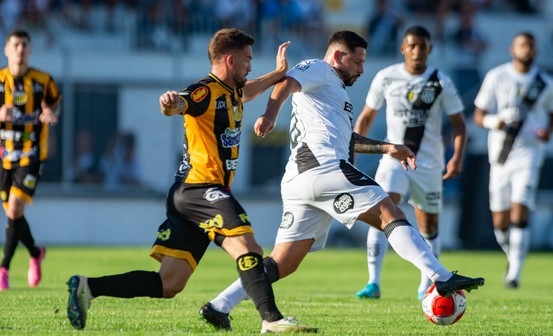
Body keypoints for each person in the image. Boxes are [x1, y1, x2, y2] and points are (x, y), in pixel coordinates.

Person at [198, 30, 484, 331]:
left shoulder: (333, 92)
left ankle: (219, 306)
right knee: (390, 213)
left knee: (283, 262)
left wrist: (388, 147)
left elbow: (347, 139)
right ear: (337, 56)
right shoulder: (319, 68)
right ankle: (441, 277)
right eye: (357, 62)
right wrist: (270, 115)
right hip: (323, 168)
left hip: (303, 179)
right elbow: (286, 84)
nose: (361, 69)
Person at [65, 28, 316, 334]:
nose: (250, 66)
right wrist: (168, 103)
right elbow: (179, 104)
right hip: (202, 189)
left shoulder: (232, 91)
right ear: (229, 59)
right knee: (248, 246)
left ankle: (88, 288)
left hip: (186, 195)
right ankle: (271, 319)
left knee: (169, 283)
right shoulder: (205, 91)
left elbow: (247, 91)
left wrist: (277, 74)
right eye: (247, 59)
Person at [353, 25, 467, 301]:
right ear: (403, 48)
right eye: (412, 46)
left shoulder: (441, 82)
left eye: (422, 46)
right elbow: (367, 116)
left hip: (429, 163)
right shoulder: (387, 77)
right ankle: (373, 282)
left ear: (430, 49)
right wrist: (353, 151)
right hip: (395, 159)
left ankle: (425, 285)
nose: (417, 51)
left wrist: (456, 158)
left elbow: (459, 125)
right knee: (382, 210)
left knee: (428, 226)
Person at [472, 32, 553, 289]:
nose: (526, 50)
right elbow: (479, 115)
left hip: (529, 153)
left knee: (520, 210)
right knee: (500, 222)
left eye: (530, 46)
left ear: (535, 51)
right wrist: (495, 121)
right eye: (522, 45)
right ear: (513, 49)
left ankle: (515, 275)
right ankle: (512, 256)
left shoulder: (546, 83)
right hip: (501, 154)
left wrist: (548, 132)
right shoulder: (497, 76)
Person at [0, 30, 61, 291]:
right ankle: (35, 253)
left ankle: (3, 268)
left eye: (25, 44)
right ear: (6, 50)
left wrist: (50, 113)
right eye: (16, 45)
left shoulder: (43, 81)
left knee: (14, 210)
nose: (20, 49)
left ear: (30, 49)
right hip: (4, 158)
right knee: (13, 217)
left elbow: (55, 103)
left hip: (31, 155)